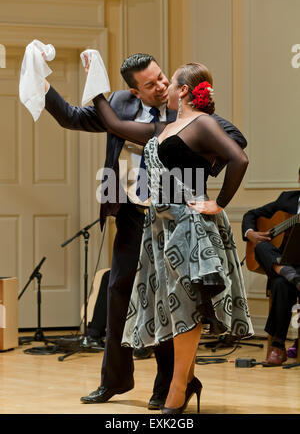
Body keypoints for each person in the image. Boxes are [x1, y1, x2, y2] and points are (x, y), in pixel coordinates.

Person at [44, 53, 248, 409]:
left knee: (174, 302)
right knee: (121, 294)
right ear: (135, 92)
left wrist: (201, 167)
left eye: (163, 79)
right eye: (151, 84)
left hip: (182, 220)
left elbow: (235, 143)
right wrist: (45, 84)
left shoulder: (190, 118)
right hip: (137, 216)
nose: (161, 86)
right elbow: (81, 117)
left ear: (179, 87)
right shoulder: (127, 108)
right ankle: (115, 381)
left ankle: (171, 385)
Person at [242, 168, 300, 366]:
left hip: (293, 273)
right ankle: (283, 270)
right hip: (285, 263)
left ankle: (278, 346)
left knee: (281, 284)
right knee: (261, 246)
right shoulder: (287, 199)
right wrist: (251, 233)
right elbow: (252, 214)